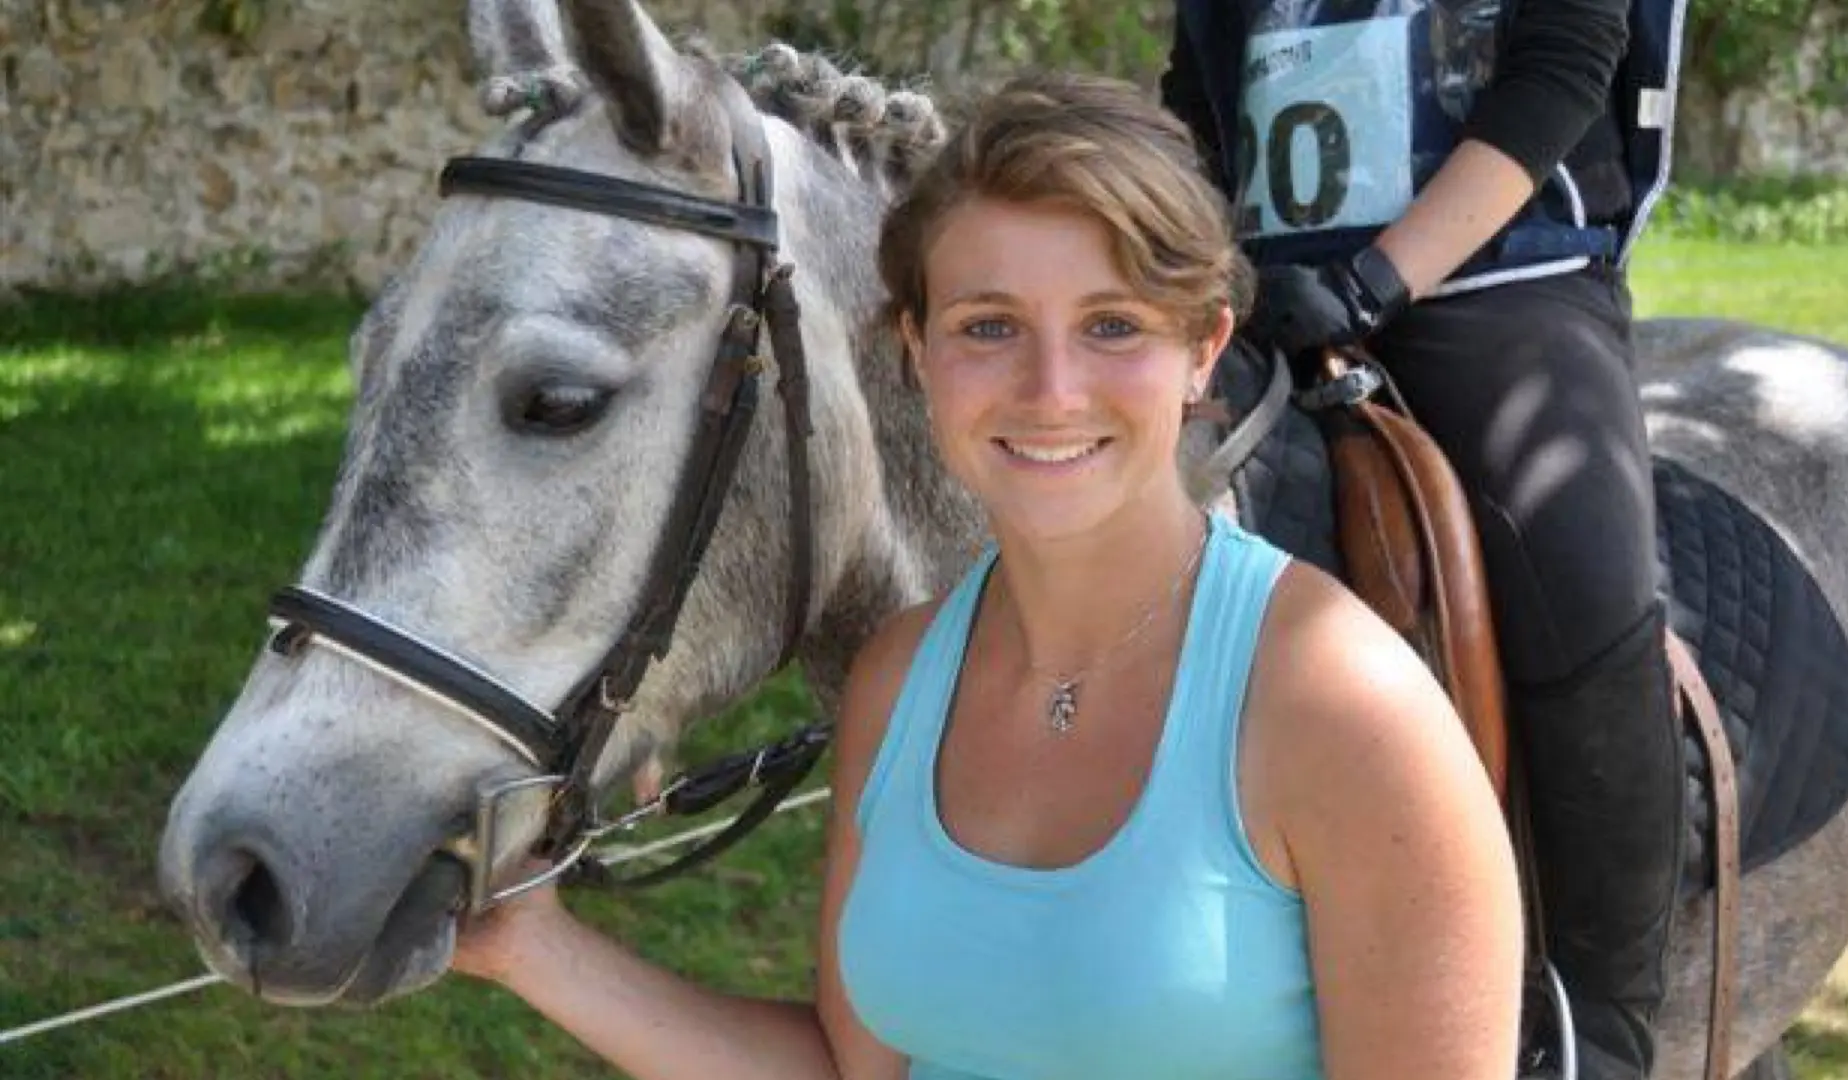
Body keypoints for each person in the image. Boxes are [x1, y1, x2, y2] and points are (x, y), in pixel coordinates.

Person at [453, 72, 1523, 1080]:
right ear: (916, 350)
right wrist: (530, 949)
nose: (1050, 390)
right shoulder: (900, 677)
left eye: (1113, 326)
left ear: (1203, 349)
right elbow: (857, 1069)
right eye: (989, 326)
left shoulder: (1338, 707)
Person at [1161, 1, 1687, 1076]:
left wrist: (1375, 282)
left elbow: (1564, 63)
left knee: (1580, 582)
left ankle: (1608, 1030)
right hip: (1251, 299)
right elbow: (1196, 106)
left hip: (1495, 282)